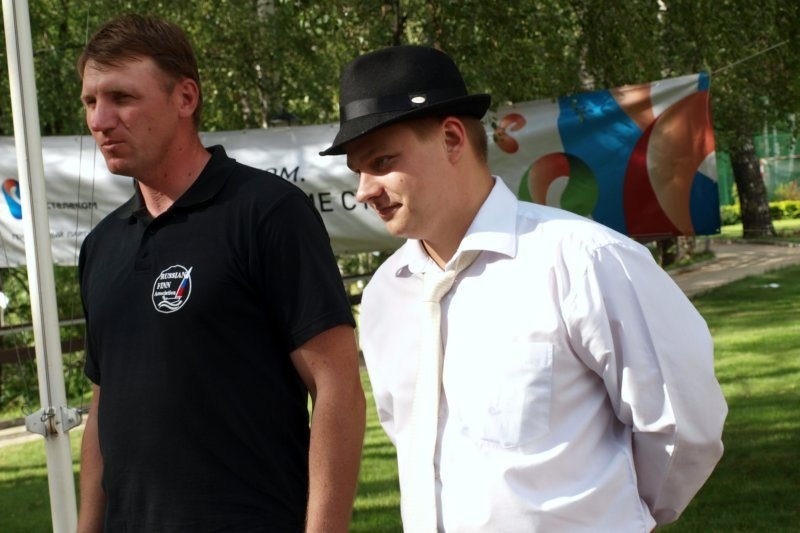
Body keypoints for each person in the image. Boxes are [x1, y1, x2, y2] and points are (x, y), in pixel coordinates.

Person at [320, 45, 727, 532]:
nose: (364, 190)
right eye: (358, 171)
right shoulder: (387, 295)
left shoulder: (583, 260)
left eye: (382, 161)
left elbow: (684, 428)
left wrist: (615, 517)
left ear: (451, 138)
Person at [76, 14, 365, 533]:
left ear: (185, 98)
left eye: (121, 97)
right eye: (90, 101)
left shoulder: (267, 212)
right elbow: (103, 409)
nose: (100, 119)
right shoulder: (101, 245)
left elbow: (336, 386)